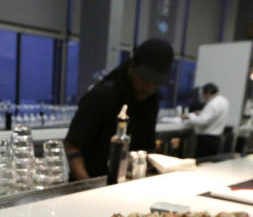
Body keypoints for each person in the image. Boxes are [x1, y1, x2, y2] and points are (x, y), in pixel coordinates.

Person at [64, 39, 174, 180]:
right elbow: (72, 145)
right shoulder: (103, 95)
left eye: (156, 83)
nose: (148, 88)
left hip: (126, 184)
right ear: (132, 67)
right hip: (91, 181)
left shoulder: (151, 102)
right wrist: (88, 186)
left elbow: (147, 148)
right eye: (145, 80)